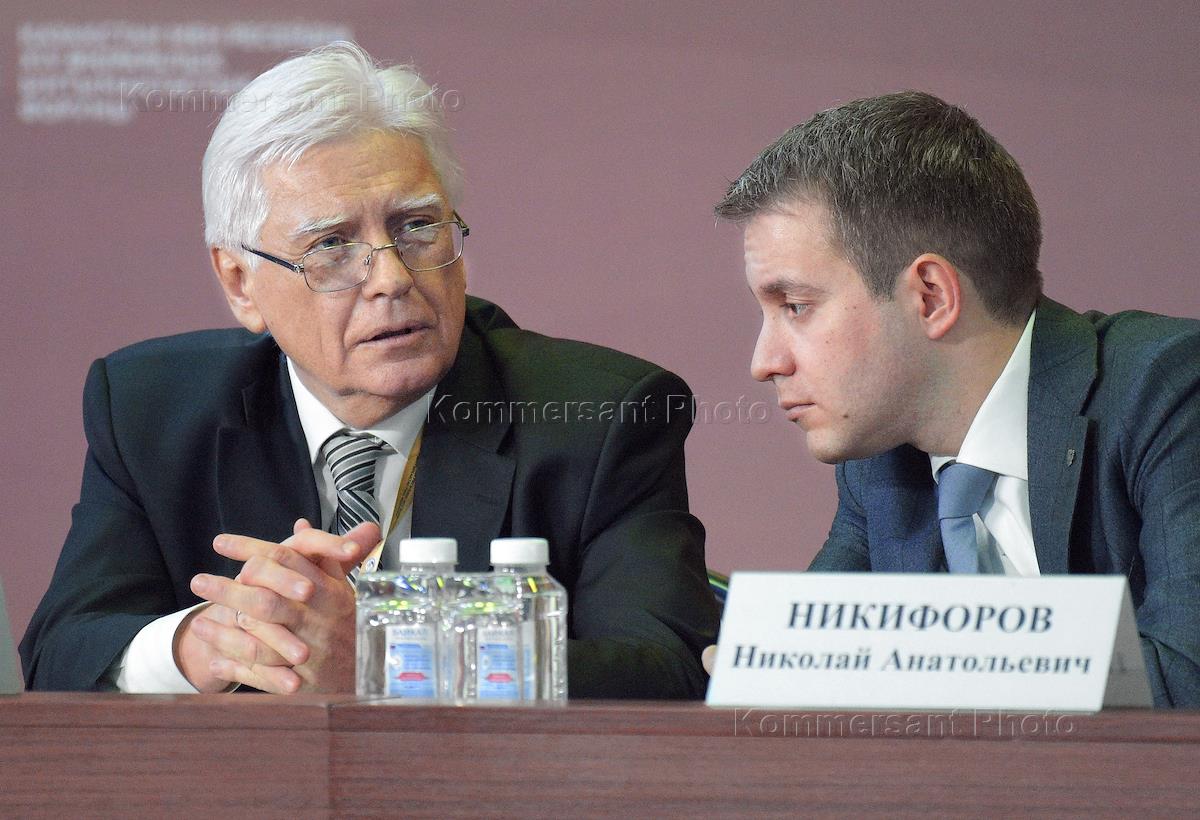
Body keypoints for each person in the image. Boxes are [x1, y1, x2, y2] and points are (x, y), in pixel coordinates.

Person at [20, 42, 718, 698]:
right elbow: (58, 654)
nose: (390, 278)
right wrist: (202, 644)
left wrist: (389, 659)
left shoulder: (599, 416)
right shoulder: (151, 411)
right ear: (240, 283)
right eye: (332, 244)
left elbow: (666, 672)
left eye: (417, 226)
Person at [713, 91, 1200, 707]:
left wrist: (890, 662)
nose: (764, 363)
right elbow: (804, 680)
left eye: (796, 306)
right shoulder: (879, 462)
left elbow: (1186, 682)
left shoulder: (1169, 392)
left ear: (931, 297)